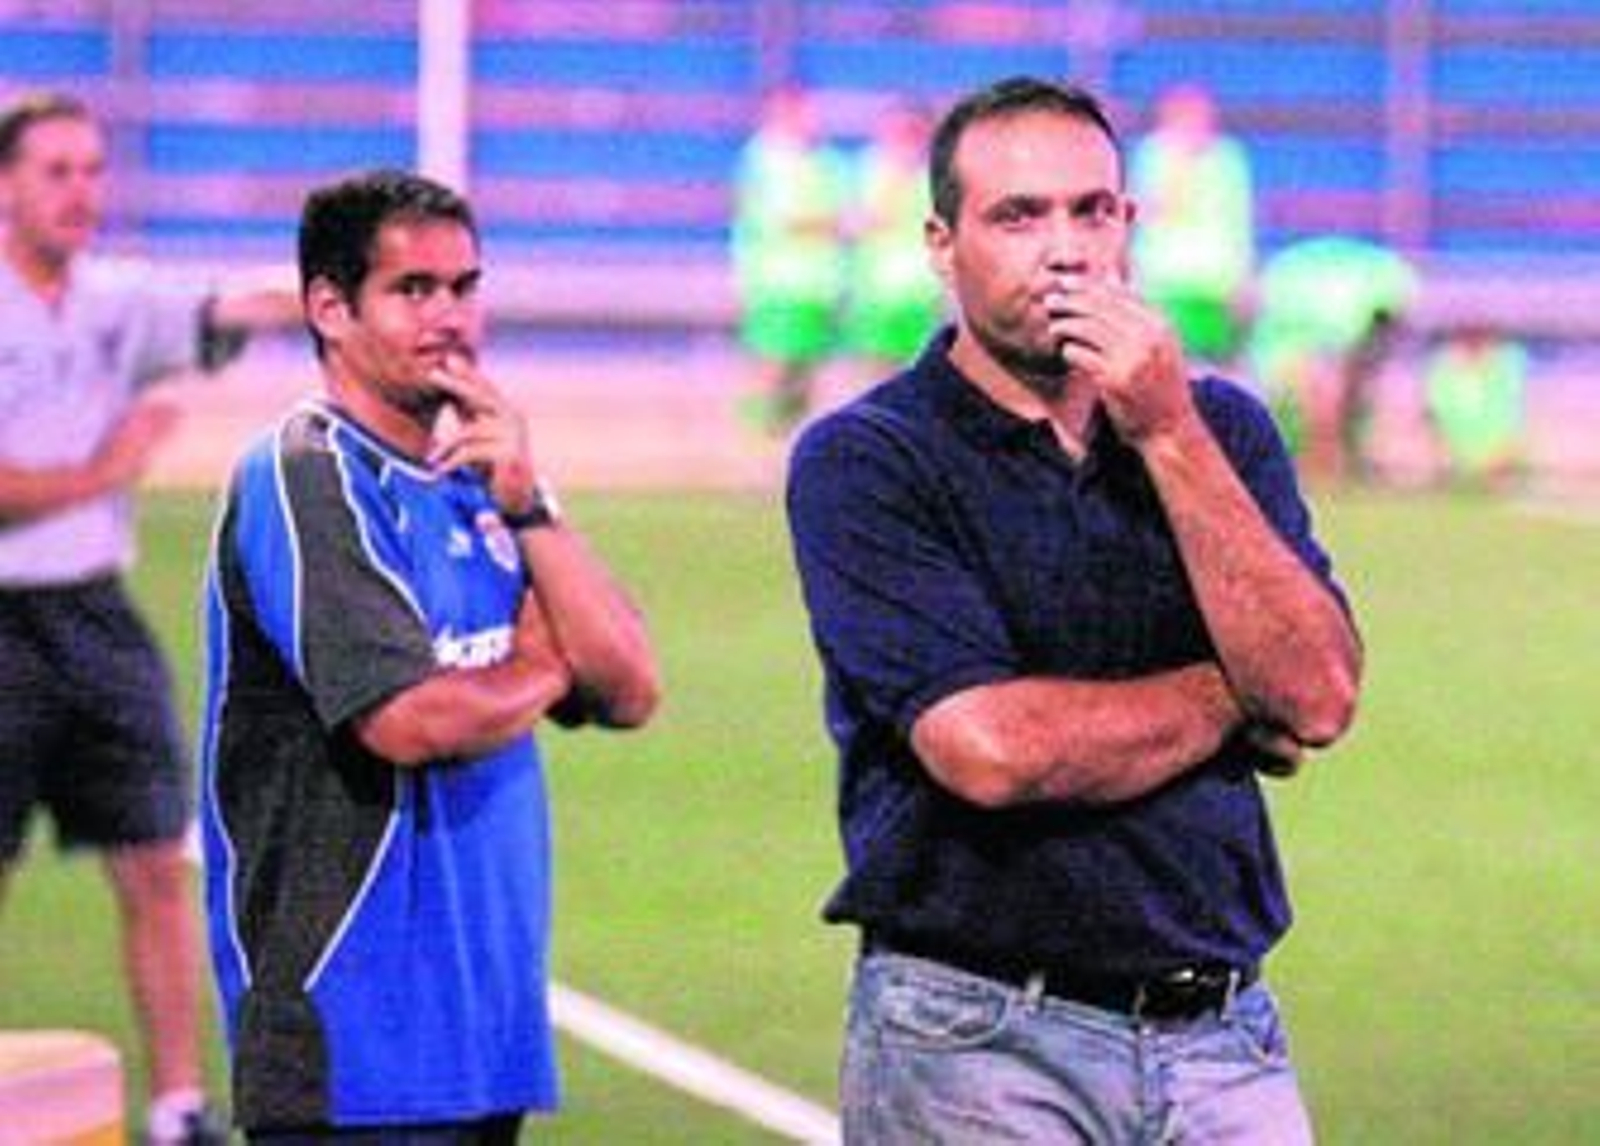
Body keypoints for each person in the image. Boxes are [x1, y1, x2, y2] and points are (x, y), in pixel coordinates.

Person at [786, 77, 1362, 1144]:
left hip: (1223, 1029)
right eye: (1018, 215)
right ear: (939, 242)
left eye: (1091, 210)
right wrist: (1230, 695)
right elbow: (992, 751)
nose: (1066, 248)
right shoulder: (867, 460)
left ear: (1128, 225)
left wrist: (1167, 431)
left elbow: (1318, 694)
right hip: (978, 1036)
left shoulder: (1218, 429)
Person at [199, 169, 660, 1140]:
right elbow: (408, 721)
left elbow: (628, 686)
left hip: (483, 1038)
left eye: (464, 288)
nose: (449, 316)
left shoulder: (484, 477)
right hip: (353, 1041)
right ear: (330, 306)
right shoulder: (305, 473)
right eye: (414, 291)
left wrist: (529, 503)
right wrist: (543, 665)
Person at [0, 91, 294, 1146]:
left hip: (94, 617)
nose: (81, 191)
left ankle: (175, 1106)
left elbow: (227, 306)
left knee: (155, 864)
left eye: (92, 170)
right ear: (5, 185)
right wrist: (107, 468)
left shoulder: (113, 298)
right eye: (56, 171)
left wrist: (334, 275)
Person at [730, 85, 851, 434]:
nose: (810, 118)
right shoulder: (763, 159)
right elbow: (782, 220)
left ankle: (785, 442)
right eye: (799, 111)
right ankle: (754, 438)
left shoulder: (825, 159)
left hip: (820, 283)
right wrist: (838, 223)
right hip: (777, 282)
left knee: (806, 370)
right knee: (774, 365)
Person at [1249, 235, 1418, 484]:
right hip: (1296, 378)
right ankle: (1323, 464)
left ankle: (1335, 465)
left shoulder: (1366, 344)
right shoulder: (1306, 354)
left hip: (1333, 382)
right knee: (1324, 392)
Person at [1129, 84, 1255, 367]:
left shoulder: (1227, 159)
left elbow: (1237, 223)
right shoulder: (1153, 155)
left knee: (1217, 368)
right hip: (1164, 284)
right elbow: (1145, 216)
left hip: (1217, 285)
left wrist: (1243, 278)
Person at [840, 100, 945, 386]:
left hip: (924, 292)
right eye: (899, 130)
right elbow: (852, 223)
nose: (906, 137)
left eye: (913, 130)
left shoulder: (938, 175)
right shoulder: (867, 168)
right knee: (877, 376)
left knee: (923, 376)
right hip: (877, 292)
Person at [1422, 323, 1528, 488]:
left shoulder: (1507, 364)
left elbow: (1517, 417)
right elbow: (1432, 415)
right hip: (1461, 461)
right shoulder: (1443, 366)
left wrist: (1503, 456)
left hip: (1496, 461)